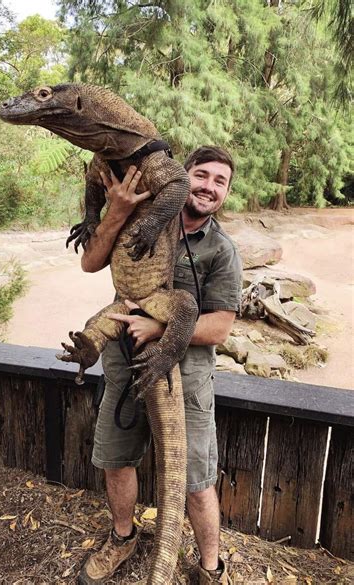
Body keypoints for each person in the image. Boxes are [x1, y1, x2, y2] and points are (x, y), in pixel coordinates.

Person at [78, 146, 242, 585]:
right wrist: (114, 212)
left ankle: (210, 568)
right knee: (116, 458)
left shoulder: (221, 251)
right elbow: (90, 262)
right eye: (201, 174)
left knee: (195, 479)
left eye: (219, 181)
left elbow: (221, 327)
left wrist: (156, 326)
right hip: (124, 363)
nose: (208, 186)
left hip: (184, 377)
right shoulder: (140, 215)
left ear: (226, 192)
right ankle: (123, 537)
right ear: (180, 176)